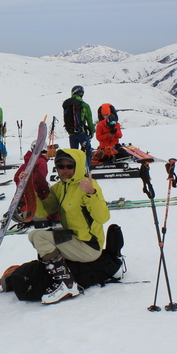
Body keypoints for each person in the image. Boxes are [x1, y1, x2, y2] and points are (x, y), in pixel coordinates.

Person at [25, 148, 110, 304]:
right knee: (33, 235)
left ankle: (66, 284)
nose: (65, 170)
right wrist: (29, 189)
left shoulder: (87, 185)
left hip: (88, 245)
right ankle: (60, 270)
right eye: (61, 166)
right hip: (72, 237)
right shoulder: (59, 187)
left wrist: (91, 194)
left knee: (42, 238)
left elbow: (103, 217)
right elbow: (44, 211)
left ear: (77, 166)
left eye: (69, 166)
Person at [14, 139, 51, 221]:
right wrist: (46, 193)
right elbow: (39, 181)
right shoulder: (41, 162)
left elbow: (16, 178)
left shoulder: (27, 162)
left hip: (23, 197)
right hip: (33, 198)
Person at [62, 85, 95, 166]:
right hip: (81, 133)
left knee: (74, 153)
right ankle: (86, 168)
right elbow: (89, 120)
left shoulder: (67, 104)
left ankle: (74, 169)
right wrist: (92, 131)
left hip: (71, 133)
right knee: (87, 151)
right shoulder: (84, 105)